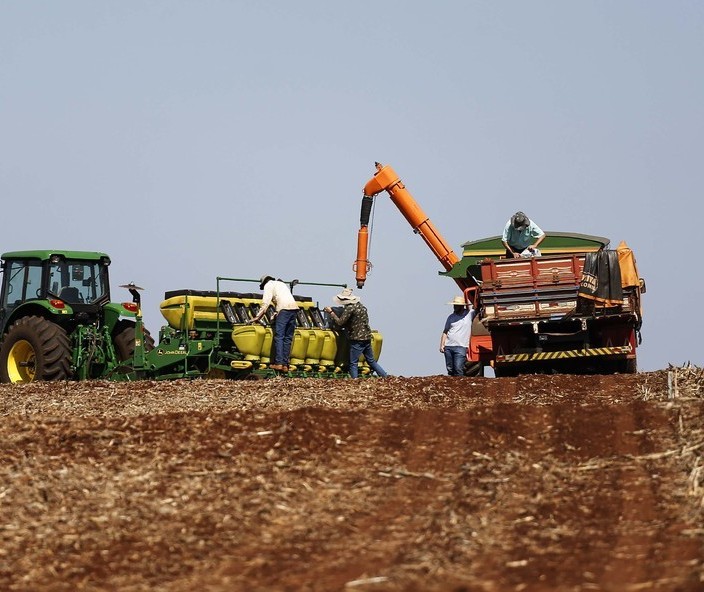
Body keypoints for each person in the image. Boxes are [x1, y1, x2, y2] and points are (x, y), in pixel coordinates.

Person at [323, 288, 387, 378]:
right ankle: (384, 376)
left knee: (353, 362)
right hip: (367, 337)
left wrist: (331, 313)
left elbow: (340, 322)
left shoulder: (350, 308)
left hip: (357, 338)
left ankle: (354, 380)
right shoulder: (361, 307)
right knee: (371, 360)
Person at [249, 275, 299, 372]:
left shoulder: (268, 285)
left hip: (284, 310)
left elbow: (265, 303)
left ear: (264, 283)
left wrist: (257, 317)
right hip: (294, 309)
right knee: (288, 338)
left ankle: (279, 363)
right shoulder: (281, 284)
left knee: (279, 336)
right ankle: (285, 365)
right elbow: (282, 300)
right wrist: (275, 314)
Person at [439, 295, 475, 376]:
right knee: (450, 369)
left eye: (457, 305)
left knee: (458, 368)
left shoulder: (469, 314)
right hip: (448, 346)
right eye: (454, 305)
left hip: (461, 346)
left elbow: (476, 307)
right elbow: (445, 331)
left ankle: (461, 385)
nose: (454, 307)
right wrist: (442, 345)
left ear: (462, 306)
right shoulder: (451, 317)